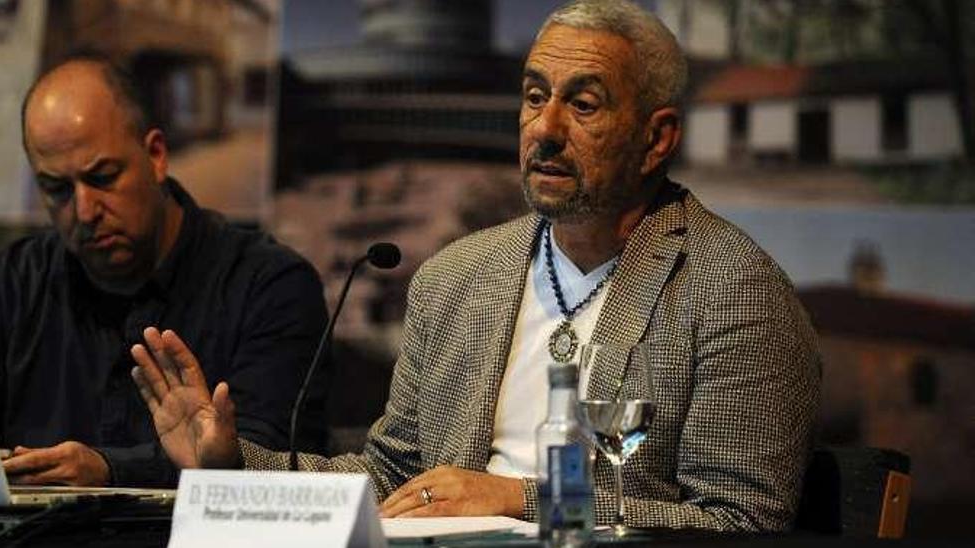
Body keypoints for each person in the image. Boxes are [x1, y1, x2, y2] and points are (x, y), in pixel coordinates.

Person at [131, 0, 820, 532]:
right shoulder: (457, 278)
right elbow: (394, 477)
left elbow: (740, 523)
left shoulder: (734, 292)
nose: (544, 129)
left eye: (583, 104)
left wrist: (523, 501)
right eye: (532, 95)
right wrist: (235, 467)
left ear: (656, 138)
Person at [0, 54, 329, 488]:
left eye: (103, 177)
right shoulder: (10, 287)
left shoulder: (269, 286)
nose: (84, 210)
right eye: (56, 189)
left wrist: (109, 471)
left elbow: (272, 460)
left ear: (155, 155)